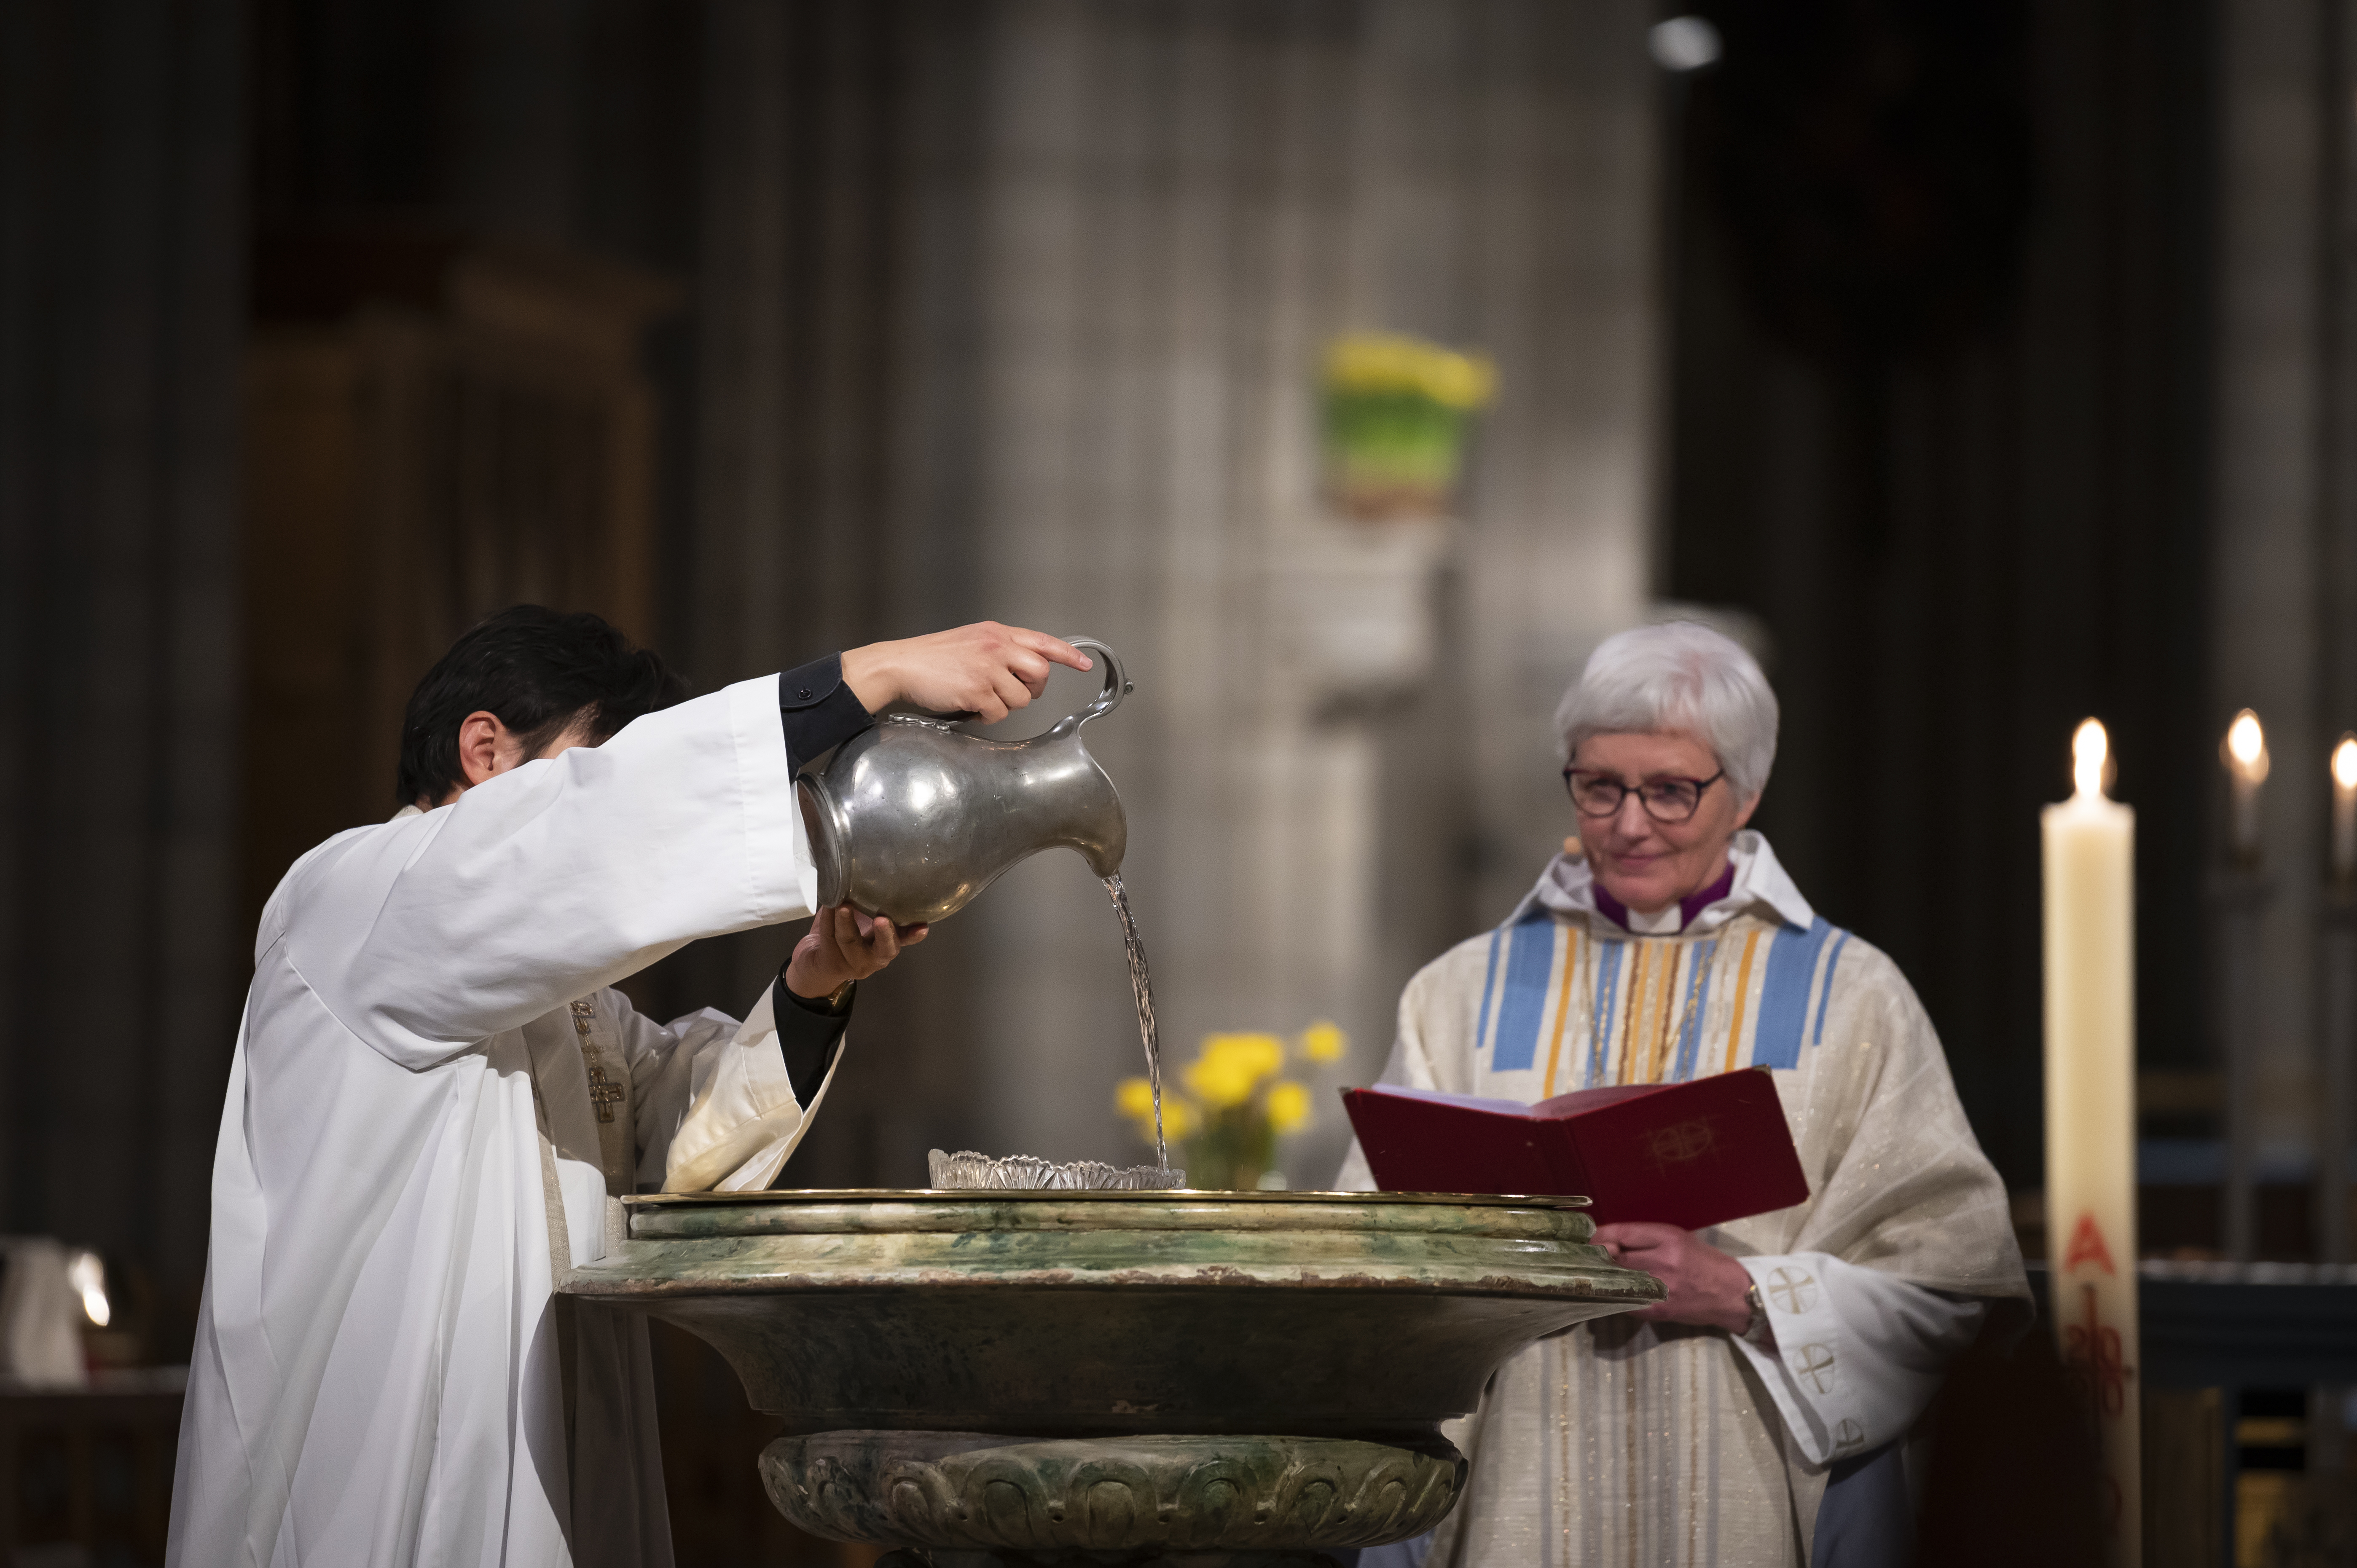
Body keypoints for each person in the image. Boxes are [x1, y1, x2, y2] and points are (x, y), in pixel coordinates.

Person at [167, 608, 1093, 1568]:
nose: (623, 805)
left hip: (557, 1456)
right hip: (367, 1483)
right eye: (595, 772)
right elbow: (593, 830)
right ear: (483, 750)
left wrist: (813, 986)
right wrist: (880, 671)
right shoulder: (347, 898)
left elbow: (680, 1150)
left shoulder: (572, 1009)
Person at [1336, 622, 2028, 1567]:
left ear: (1746, 791)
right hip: (1514, 1498)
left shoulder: (1852, 995)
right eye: (1599, 785)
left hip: (1745, 1493)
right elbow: (1367, 1259)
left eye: (1669, 790)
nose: (1628, 824)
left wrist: (1744, 1291)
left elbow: (1950, 1285)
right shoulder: (1457, 993)